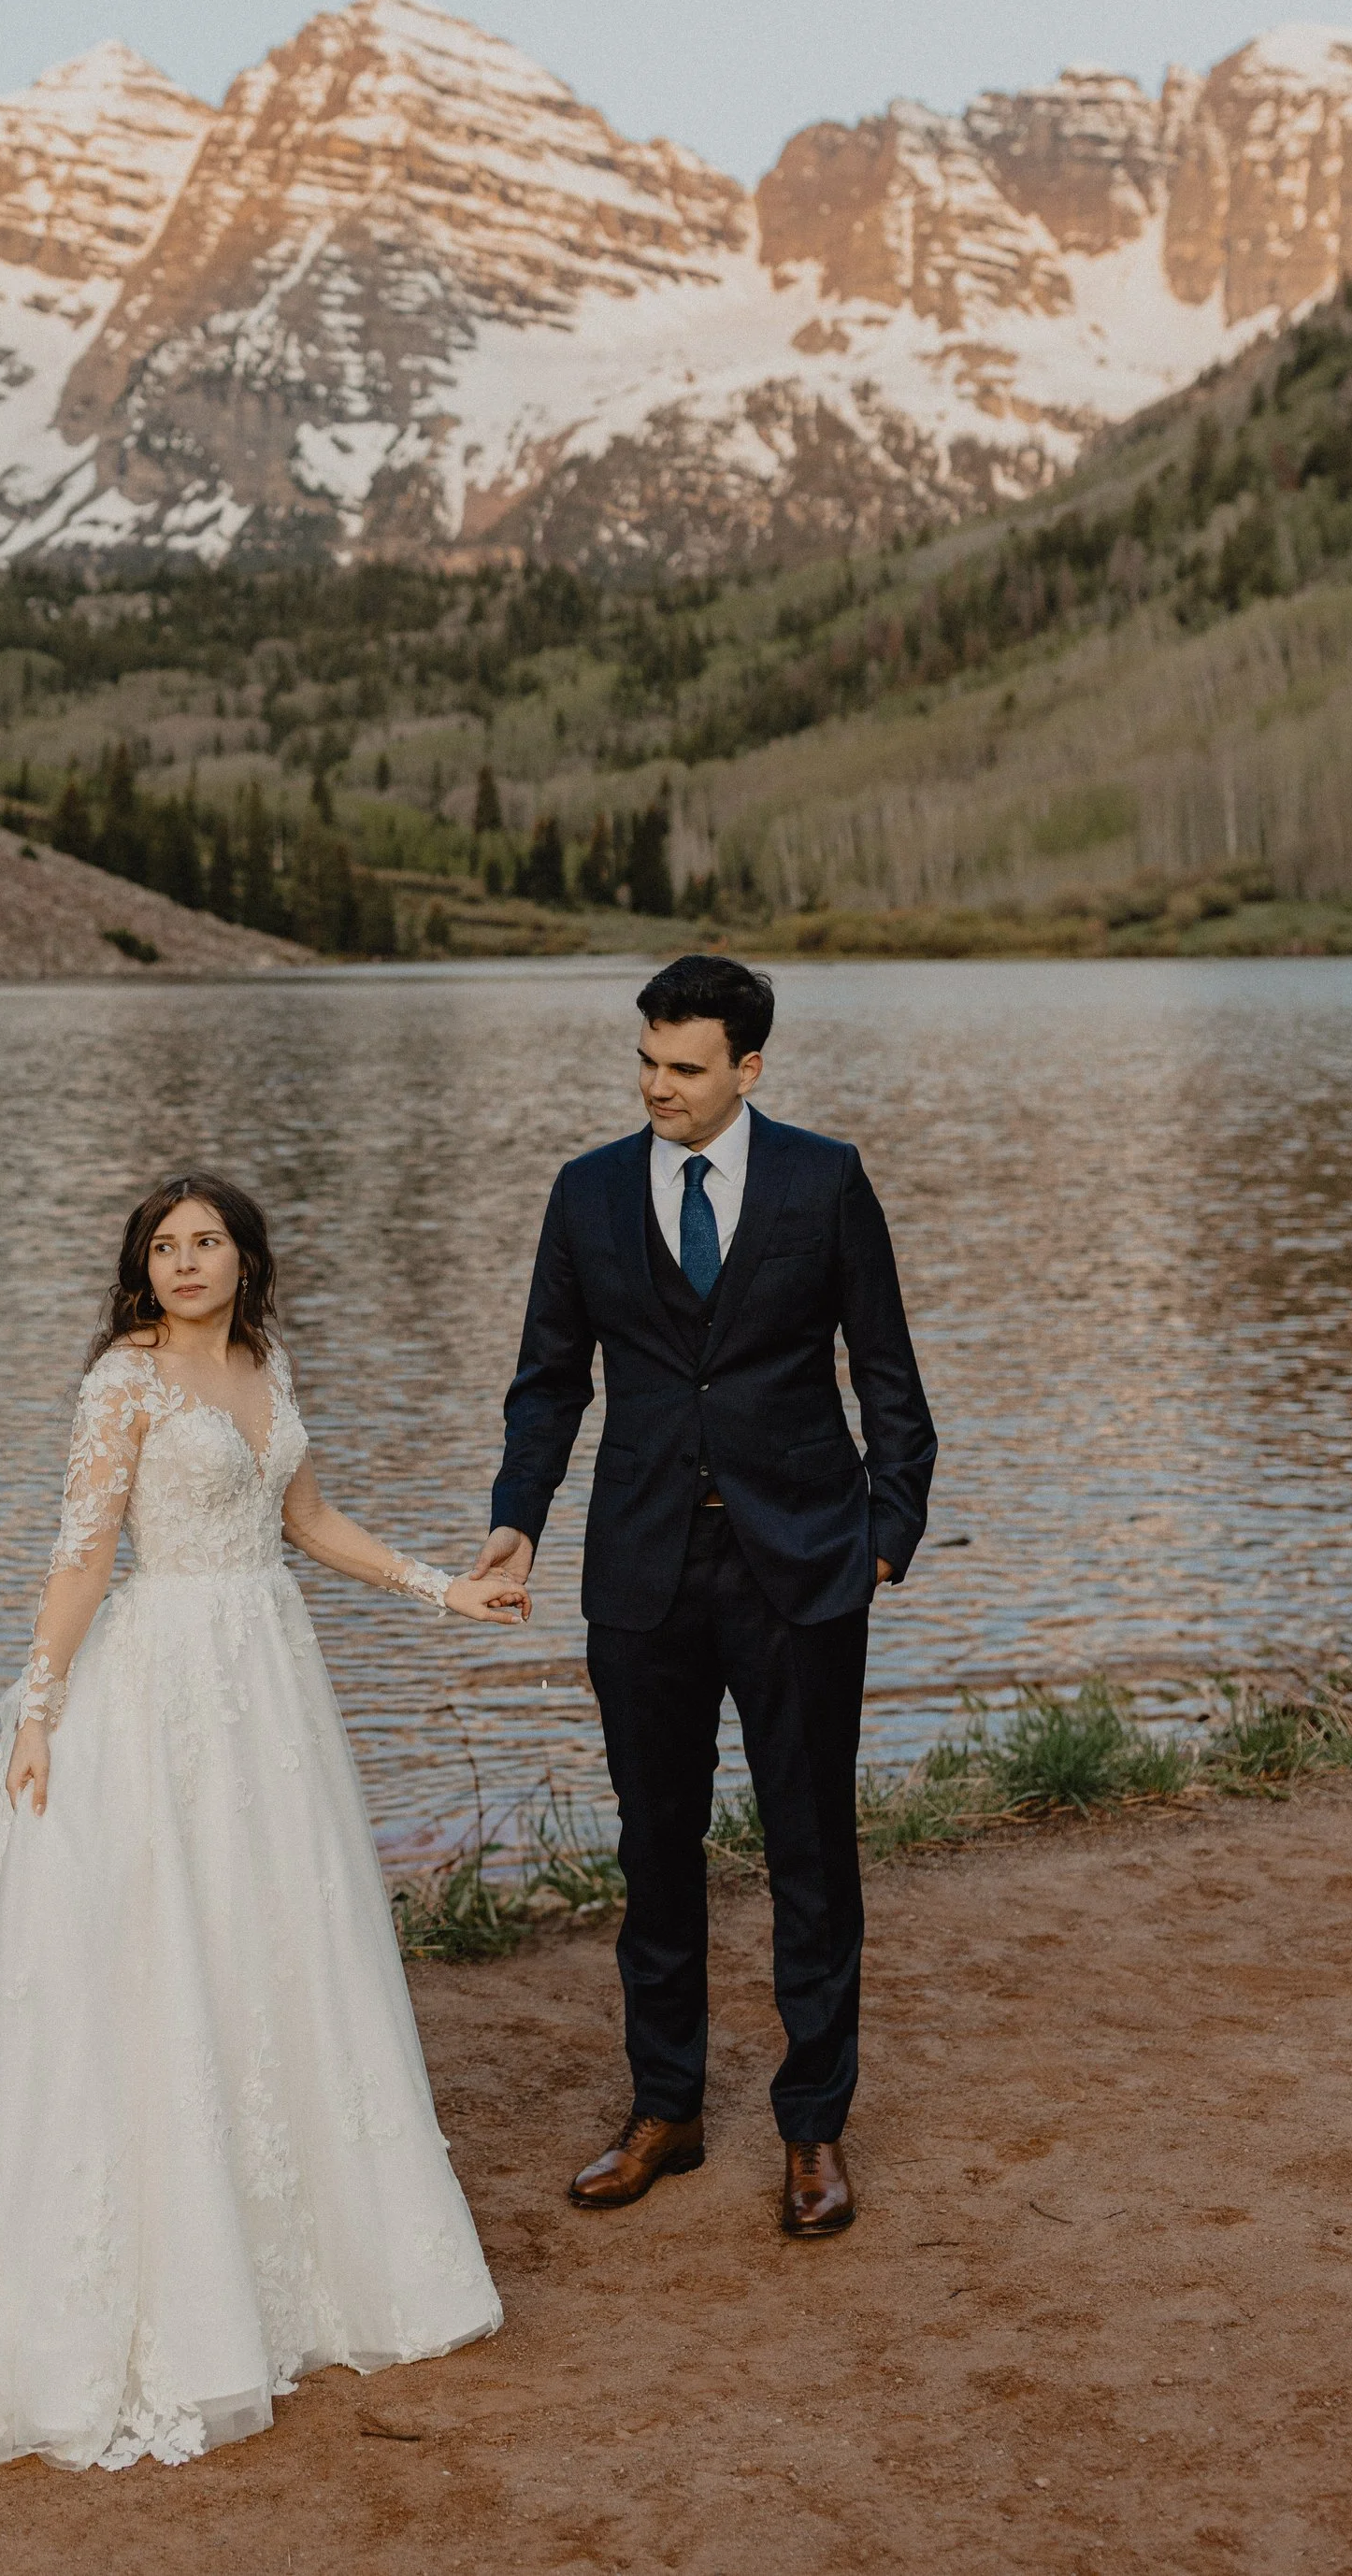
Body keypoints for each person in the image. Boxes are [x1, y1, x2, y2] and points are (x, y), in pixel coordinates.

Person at [0, 1171, 525, 2487]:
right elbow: (85, 1553)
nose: (188, 1262)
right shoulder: (124, 1382)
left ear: (247, 1261)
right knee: (158, 1946)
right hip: (161, 1689)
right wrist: (35, 1712)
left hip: (267, 1679)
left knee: (279, 1946)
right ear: (142, 1272)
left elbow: (309, 1521)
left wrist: (445, 1591)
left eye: (208, 1242)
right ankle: (164, 2276)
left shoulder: (269, 1366)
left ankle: (318, 2271)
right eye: (165, 1247)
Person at [469, 955, 934, 2236]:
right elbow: (547, 1380)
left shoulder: (823, 1180)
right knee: (655, 1848)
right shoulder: (587, 1194)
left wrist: (889, 1533)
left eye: (685, 1067)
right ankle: (664, 2110)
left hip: (803, 1567)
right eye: (646, 1063)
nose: (657, 1087)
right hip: (642, 1571)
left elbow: (886, 1369)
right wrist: (517, 1522)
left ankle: (813, 2128)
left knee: (810, 1851)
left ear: (749, 1068)